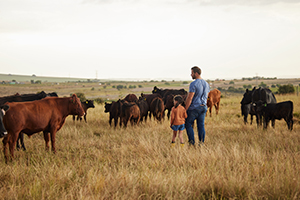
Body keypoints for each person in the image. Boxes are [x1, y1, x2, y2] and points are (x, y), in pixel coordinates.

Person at [185, 66, 210, 146]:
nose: (191, 75)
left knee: (188, 124)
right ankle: (201, 143)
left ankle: (192, 143)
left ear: (196, 73)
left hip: (194, 107)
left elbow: (190, 98)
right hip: (204, 107)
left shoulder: (193, 84)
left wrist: (185, 109)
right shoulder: (206, 84)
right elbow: (207, 96)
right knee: (201, 125)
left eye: (192, 73)